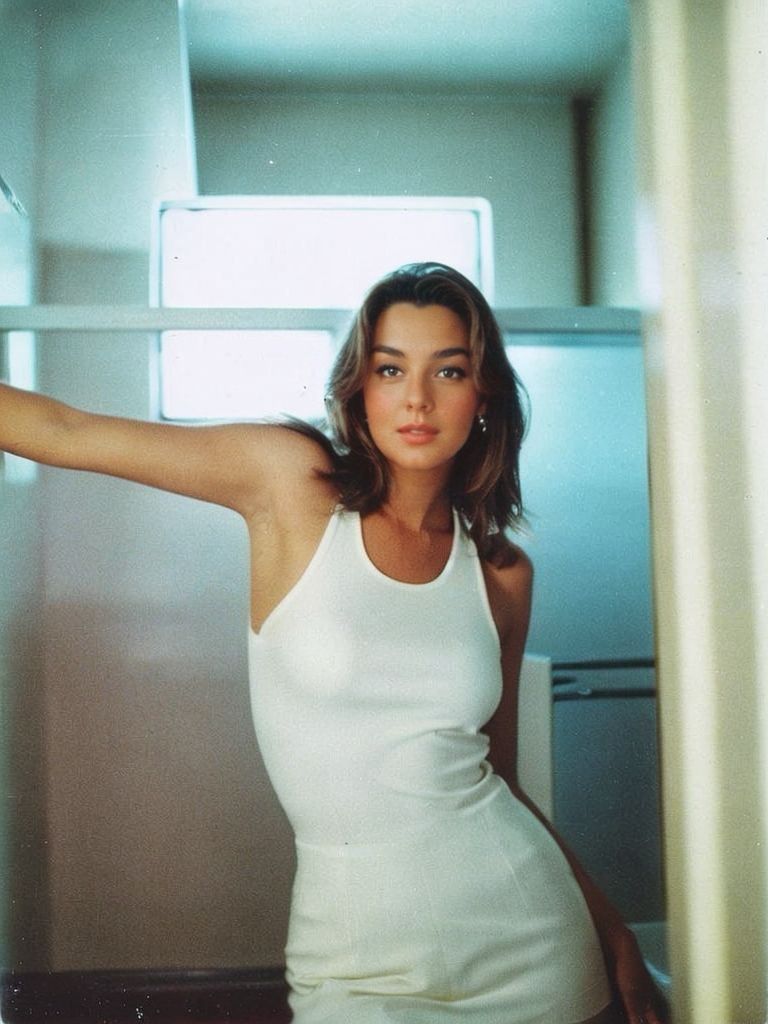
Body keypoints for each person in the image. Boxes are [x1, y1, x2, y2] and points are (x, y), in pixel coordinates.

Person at [0, 262, 666, 1024]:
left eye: (449, 371)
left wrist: (609, 925)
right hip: (354, 958)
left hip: (531, 943)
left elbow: (503, 778)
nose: (417, 399)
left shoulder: (502, 572)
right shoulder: (292, 484)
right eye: (391, 369)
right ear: (359, 387)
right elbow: (65, 431)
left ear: (483, 395)